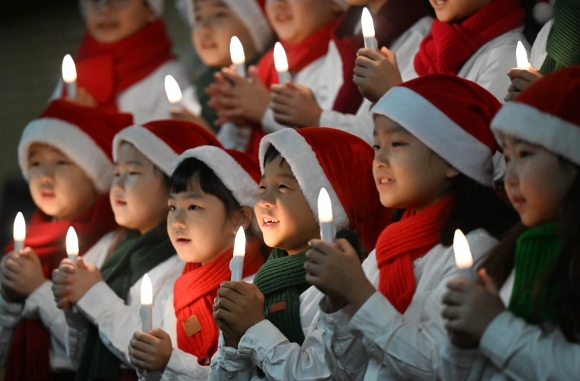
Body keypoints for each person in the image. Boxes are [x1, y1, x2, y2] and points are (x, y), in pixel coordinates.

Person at [306, 75, 518, 380]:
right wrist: (339, 302)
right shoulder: (385, 249)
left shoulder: (475, 250)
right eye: (377, 145)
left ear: (453, 160)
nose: (379, 159)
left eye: (397, 143)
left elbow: (441, 368)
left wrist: (360, 293)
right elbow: (347, 372)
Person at [441, 66, 580, 381]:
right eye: (507, 159)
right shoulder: (510, 255)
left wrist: (493, 326)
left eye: (526, 154)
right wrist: (463, 344)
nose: (511, 178)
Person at [0, 100, 132, 380]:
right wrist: (8, 300)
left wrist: (37, 289)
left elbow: (96, 351)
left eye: (61, 161)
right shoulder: (21, 246)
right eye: (35, 163)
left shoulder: (113, 245)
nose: (44, 175)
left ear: (96, 174)